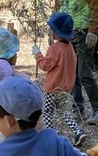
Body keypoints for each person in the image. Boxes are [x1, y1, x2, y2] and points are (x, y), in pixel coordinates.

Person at [32, 12, 86, 146]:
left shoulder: (55, 49)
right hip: (65, 89)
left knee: (47, 114)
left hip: (51, 89)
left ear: (56, 32)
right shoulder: (71, 49)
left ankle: (50, 136)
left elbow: (45, 65)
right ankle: (78, 131)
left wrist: (37, 54)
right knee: (63, 112)